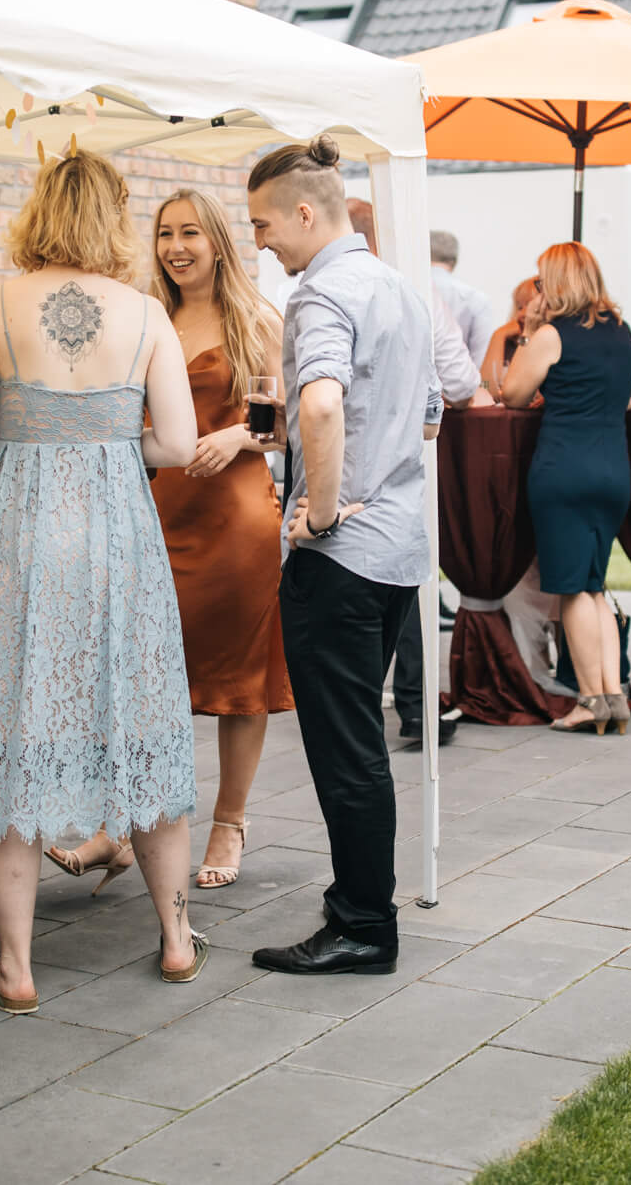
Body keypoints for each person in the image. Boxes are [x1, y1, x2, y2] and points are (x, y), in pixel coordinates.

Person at [0, 148, 202, 1011]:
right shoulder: (148, 314)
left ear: (39, 212)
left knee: (10, 729)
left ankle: (16, 968)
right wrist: (113, 440)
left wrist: (26, 422)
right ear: (114, 220)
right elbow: (181, 447)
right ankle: (179, 941)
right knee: (140, 721)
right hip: (117, 538)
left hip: (18, 536)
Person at [49, 189, 291, 892]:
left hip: (236, 525)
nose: (176, 247)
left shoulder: (255, 320)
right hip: (152, 520)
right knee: (139, 679)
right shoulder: (144, 317)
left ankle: (230, 821)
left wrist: (230, 436)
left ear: (218, 241)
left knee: (239, 681)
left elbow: (283, 424)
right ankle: (119, 829)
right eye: (164, 234)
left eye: (190, 233)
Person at [244, 136, 439, 977]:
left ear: (304, 211)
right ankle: (358, 904)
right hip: (398, 548)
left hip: (344, 556)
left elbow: (322, 406)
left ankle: (363, 922)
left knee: (346, 749)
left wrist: (318, 514)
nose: (259, 243)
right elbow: (430, 413)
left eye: (261, 225)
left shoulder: (320, 296)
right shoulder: (398, 286)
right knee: (360, 743)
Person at [500, 242, 631, 733]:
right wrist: (601, 407)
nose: (538, 289)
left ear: (559, 284)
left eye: (542, 281)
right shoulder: (621, 330)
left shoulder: (551, 335)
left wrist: (527, 331)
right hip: (613, 470)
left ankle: (590, 699)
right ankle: (613, 697)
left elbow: (513, 396)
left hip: (564, 470)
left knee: (571, 589)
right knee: (593, 585)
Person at [349, 198, 478, 747]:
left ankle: (367, 711)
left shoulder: (315, 292)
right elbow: (462, 382)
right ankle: (417, 707)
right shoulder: (415, 292)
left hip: (340, 467)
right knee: (403, 578)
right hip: (402, 466)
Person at [430, 230, 493, 364]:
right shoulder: (477, 299)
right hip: (460, 380)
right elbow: (481, 359)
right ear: (454, 261)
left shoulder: (406, 289)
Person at [479, 276, 542, 400]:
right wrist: (498, 336)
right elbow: (486, 389)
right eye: (519, 307)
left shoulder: (551, 343)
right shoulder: (509, 342)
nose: (522, 314)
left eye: (529, 305)